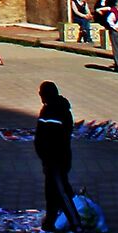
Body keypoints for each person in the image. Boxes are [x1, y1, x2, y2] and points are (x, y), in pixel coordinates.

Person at [34, 80, 77, 224]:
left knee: (61, 191)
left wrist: (46, 155)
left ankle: (75, 222)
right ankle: (51, 220)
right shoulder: (52, 109)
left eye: (41, 94)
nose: (40, 96)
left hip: (56, 159)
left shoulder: (54, 111)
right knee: (52, 191)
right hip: (52, 158)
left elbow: (51, 137)